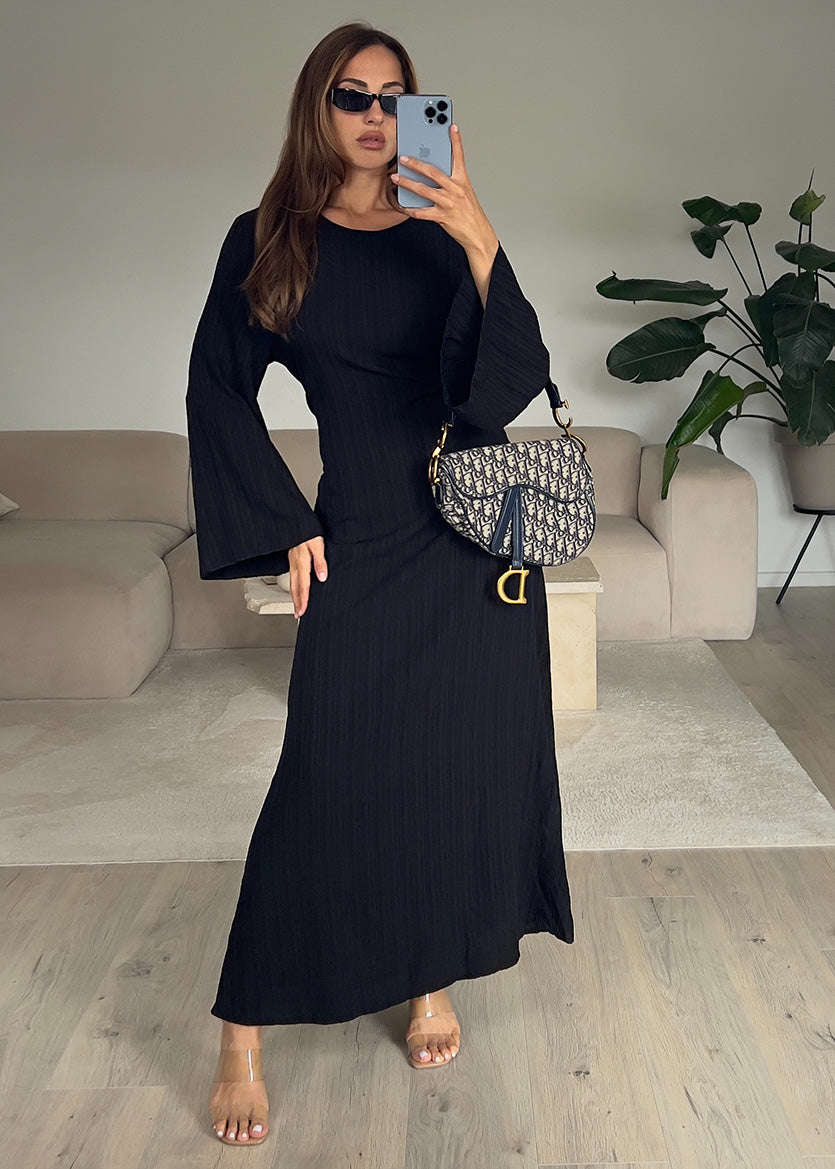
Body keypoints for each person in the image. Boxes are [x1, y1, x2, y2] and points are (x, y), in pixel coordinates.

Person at [186, 20, 574, 1148]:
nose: (371, 114)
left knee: (451, 769)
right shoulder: (270, 238)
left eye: (392, 97)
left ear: (415, 113)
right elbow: (217, 386)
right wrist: (282, 522)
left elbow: (507, 386)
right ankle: (243, 1028)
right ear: (318, 107)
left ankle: (426, 977)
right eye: (350, 95)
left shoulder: (444, 231)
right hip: (361, 531)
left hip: (472, 542)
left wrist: (480, 238)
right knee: (327, 772)